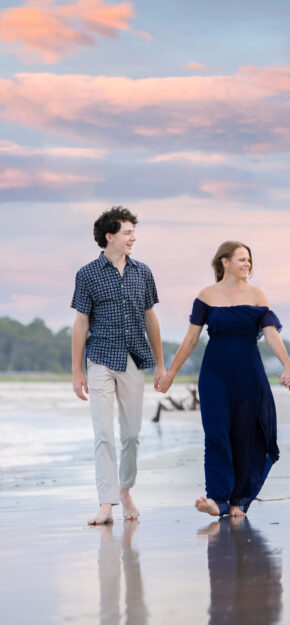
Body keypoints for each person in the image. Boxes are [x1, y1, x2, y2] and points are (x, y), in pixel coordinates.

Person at [157, 241, 290, 518]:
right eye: (242, 259)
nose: (247, 264)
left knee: (244, 435)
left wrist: (287, 366)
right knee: (216, 432)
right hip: (215, 372)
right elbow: (191, 338)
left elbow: (270, 334)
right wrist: (171, 372)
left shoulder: (257, 295)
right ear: (225, 262)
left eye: (249, 260)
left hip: (248, 372)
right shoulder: (207, 295)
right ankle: (216, 498)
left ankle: (237, 500)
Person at [71, 207, 165, 525]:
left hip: (133, 359)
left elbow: (151, 318)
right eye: (127, 232)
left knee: (131, 435)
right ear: (109, 236)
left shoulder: (143, 272)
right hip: (99, 359)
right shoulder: (87, 275)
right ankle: (106, 502)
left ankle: (125, 489)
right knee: (103, 434)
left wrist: (161, 365)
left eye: (133, 232)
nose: (133, 237)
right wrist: (76, 371)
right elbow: (81, 323)